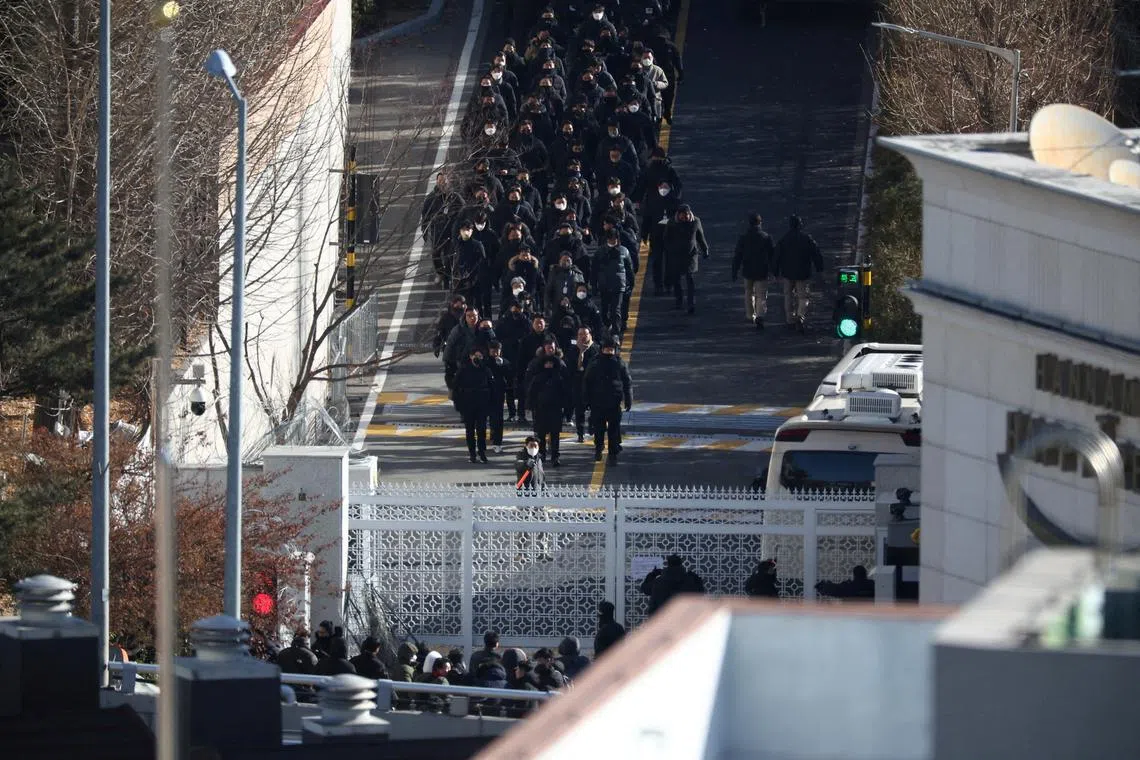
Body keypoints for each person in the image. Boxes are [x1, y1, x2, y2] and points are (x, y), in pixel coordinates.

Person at [583, 336, 632, 464]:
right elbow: (587, 382)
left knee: (614, 430)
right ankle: (598, 448)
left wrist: (628, 399)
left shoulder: (619, 363)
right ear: (602, 349)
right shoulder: (595, 363)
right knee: (598, 428)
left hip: (614, 402)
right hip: (597, 402)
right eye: (607, 349)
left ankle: (612, 453)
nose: (609, 352)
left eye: (611, 349)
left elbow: (627, 382)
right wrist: (587, 401)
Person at [773, 214, 823, 332]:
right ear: (800, 225)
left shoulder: (784, 239)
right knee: (803, 296)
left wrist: (775, 272)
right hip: (803, 273)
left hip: (787, 273)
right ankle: (800, 316)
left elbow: (776, 256)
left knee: (788, 296)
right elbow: (816, 254)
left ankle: (790, 319)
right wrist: (819, 268)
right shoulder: (807, 239)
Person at [525, 336, 570, 465]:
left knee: (555, 433)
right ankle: (541, 454)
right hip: (540, 405)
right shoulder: (535, 364)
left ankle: (555, 456)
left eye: (552, 347)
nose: (550, 349)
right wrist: (529, 404)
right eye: (548, 347)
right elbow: (530, 385)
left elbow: (566, 385)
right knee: (540, 433)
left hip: (555, 405)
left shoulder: (560, 364)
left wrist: (566, 405)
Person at [663, 203, 708, 315]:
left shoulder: (695, 222)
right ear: (679, 214)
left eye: (687, 214)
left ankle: (691, 304)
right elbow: (666, 238)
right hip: (676, 255)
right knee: (676, 279)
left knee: (690, 279)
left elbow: (700, 236)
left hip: (690, 255)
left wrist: (705, 249)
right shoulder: (672, 223)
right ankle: (679, 300)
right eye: (683, 215)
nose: (685, 217)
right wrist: (670, 250)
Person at [732, 213, 776, 329]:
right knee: (761, 294)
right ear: (760, 223)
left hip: (748, 270)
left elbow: (738, 256)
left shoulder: (744, 238)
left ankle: (750, 315)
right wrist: (775, 271)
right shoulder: (766, 237)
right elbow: (772, 256)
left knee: (748, 293)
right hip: (762, 270)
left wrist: (735, 271)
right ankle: (760, 315)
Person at [454, 347, 494, 463]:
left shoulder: (486, 370)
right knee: (469, 430)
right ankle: (472, 453)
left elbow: (492, 387)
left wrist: (490, 404)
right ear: (471, 356)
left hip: (482, 404)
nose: (477, 358)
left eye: (480, 356)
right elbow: (456, 388)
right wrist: (459, 405)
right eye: (475, 356)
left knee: (481, 429)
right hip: (468, 404)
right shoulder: (464, 370)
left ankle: (481, 452)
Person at [594, 228, 634, 336]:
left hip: (618, 285)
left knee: (615, 310)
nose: (614, 240)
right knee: (604, 310)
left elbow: (629, 268)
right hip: (604, 285)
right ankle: (608, 326)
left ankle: (616, 332)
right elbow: (594, 269)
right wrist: (594, 284)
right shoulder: (600, 251)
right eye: (611, 238)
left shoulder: (624, 251)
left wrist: (631, 283)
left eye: (615, 238)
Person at [564, 326, 599, 442]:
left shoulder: (596, 349)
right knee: (579, 410)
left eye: (585, 334)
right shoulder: (573, 349)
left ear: (590, 335)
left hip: (593, 384)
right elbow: (569, 366)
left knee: (595, 409)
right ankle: (580, 433)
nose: (583, 337)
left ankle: (592, 426)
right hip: (578, 383)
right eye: (580, 334)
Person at [640, 554, 704, 616]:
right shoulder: (690, 581)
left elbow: (645, 589)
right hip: (684, 619)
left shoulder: (658, 582)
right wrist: (695, 577)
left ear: (668, 564)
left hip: (662, 619)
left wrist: (653, 574)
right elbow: (700, 593)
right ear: (680, 563)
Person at [487, 341, 513, 454]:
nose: (495, 353)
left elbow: (509, 375)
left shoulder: (503, 362)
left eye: (497, 351)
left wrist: (503, 365)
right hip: (485, 393)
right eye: (492, 351)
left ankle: (498, 442)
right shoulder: (485, 362)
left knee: (498, 418)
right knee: (487, 418)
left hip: (498, 393)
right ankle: (491, 434)